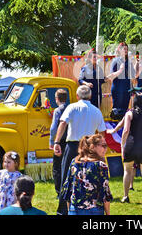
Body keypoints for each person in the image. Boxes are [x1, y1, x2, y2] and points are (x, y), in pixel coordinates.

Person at [53, 85, 107, 215]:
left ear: (77, 96)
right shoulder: (96, 111)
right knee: (92, 177)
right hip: (89, 146)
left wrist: (56, 141)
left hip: (72, 146)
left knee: (66, 177)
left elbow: (63, 123)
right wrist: (100, 148)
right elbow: (102, 133)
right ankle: (92, 204)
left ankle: (63, 210)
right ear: (90, 96)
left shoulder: (72, 107)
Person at [60, 134, 113, 215]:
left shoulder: (74, 162)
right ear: (92, 147)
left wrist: (69, 210)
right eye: (103, 145)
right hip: (94, 210)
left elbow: (68, 190)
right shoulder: (101, 165)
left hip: (74, 209)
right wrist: (108, 213)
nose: (106, 149)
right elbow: (105, 194)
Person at [120, 92, 142, 205]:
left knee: (127, 171)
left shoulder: (129, 114)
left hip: (131, 143)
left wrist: (122, 144)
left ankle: (125, 196)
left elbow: (126, 130)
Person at [48, 89, 69, 197]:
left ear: (57, 99)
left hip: (60, 141)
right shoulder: (71, 108)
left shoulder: (57, 110)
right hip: (70, 141)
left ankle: (59, 191)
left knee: (57, 167)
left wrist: (52, 141)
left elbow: (53, 127)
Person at [106, 42, 135, 113]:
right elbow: (111, 76)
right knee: (117, 112)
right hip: (118, 89)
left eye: (126, 49)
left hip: (127, 89)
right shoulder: (115, 60)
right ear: (119, 50)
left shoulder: (129, 62)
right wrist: (120, 70)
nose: (125, 51)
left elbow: (133, 75)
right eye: (124, 49)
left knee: (125, 111)